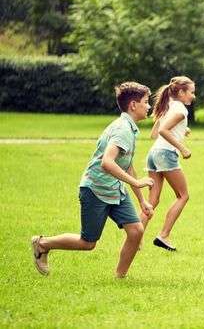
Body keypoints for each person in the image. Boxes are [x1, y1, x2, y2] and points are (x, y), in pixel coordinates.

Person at [31, 82, 154, 278]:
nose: (149, 107)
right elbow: (107, 162)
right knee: (88, 243)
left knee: (136, 231)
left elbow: (127, 165)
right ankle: (42, 244)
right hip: (95, 189)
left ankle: (120, 278)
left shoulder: (129, 128)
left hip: (114, 188)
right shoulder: (122, 129)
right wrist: (138, 183)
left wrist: (141, 200)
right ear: (133, 105)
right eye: (146, 102)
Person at [141, 76, 195, 252]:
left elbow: (154, 133)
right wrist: (183, 148)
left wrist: (181, 130)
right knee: (183, 195)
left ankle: (135, 238)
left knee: (152, 201)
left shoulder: (169, 106)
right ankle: (163, 236)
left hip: (153, 154)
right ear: (181, 92)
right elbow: (163, 131)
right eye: (191, 92)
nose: (193, 96)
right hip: (166, 154)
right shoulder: (180, 110)